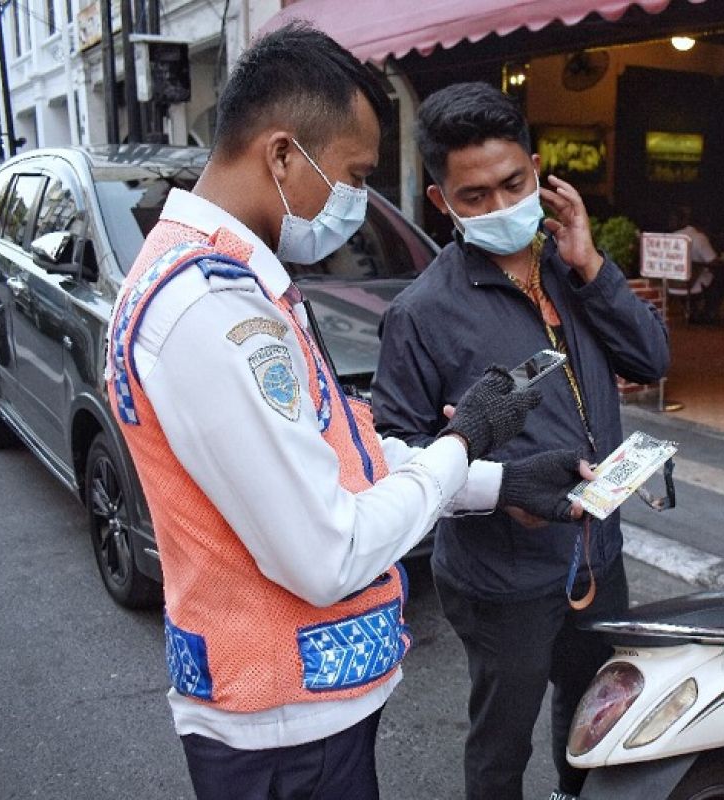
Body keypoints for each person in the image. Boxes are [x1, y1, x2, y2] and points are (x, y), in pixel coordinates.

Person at [104, 25, 592, 800]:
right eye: (355, 174)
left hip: (301, 715)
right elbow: (328, 553)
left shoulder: (236, 284)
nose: (360, 203)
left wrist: (495, 482)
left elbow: (338, 456)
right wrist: (462, 440)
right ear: (283, 155)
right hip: (281, 731)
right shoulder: (211, 311)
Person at [371, 82, 670, 800]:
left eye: (515, 183)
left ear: (539, 171)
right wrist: (501, 496)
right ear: (442, 203)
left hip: (599, 551)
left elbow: (651, 361)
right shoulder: (422, 314)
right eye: (475, 196)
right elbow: (395, 458)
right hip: (504, 579)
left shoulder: (571, 270)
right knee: (502, 744)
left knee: (597, 716)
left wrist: (591, 263)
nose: (502, 206)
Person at [670, 205, 724, 323]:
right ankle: (709, 311)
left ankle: (693, 309)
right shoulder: (699, 238)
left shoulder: (671, 237)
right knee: (723, 277)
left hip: (672, 284)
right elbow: (713, 261)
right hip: (692, 283)